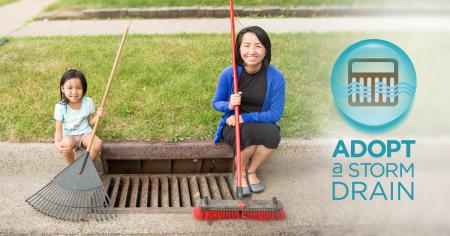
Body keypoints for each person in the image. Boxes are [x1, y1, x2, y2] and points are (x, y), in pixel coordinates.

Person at [212, 26, 286, 196]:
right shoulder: (229, 74)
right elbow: (216, 103)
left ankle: (251, 170)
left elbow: (275, 114)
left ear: (266, 50)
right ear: (239, 49)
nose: (252, 51)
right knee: (246, 135)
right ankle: (240, 173)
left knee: (273, 135)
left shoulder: (276, 77)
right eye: (246, 46)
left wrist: (245, 118)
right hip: (233, 123)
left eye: (258, 46)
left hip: (259, 121)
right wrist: (229, 105)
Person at [54, 69, 105, 165]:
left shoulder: (88, 102)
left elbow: (90, 121)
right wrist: (58, 143)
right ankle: (72, 166)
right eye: (69, 88)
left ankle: (85, 166)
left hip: (85, 133)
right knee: (65, 147)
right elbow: (58, 129)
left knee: (97, 144)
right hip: (68, 135)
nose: (74, 92)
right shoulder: (60, 107)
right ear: (62, 89)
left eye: (78, 88)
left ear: (84, 89)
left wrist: (98, 116)